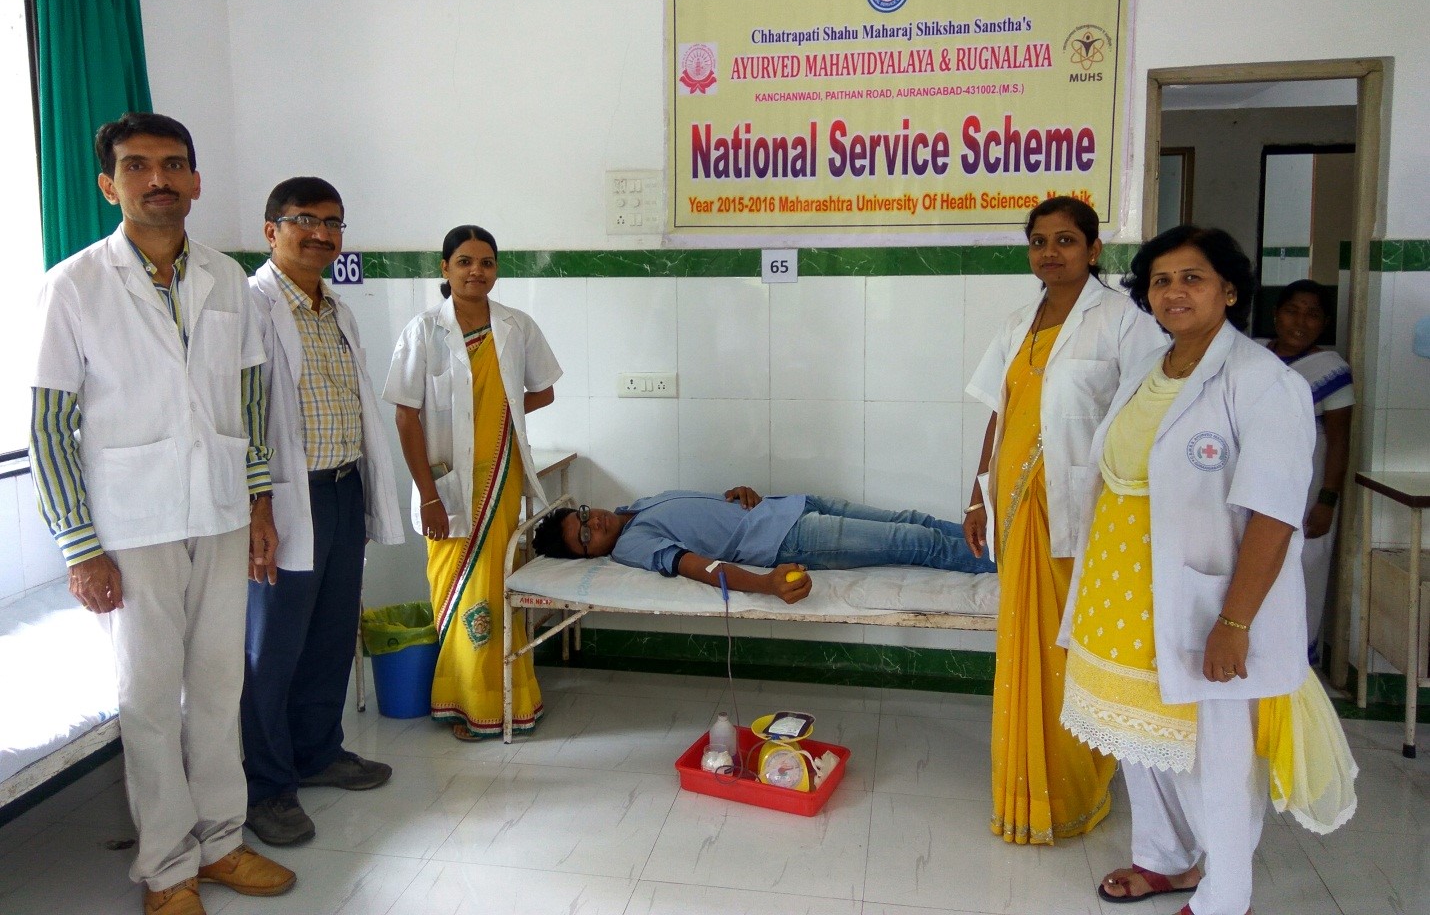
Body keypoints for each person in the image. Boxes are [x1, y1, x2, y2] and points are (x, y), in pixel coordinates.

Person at [29, 113, 295, 915]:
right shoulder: (73, 285)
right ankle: (168, 868)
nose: (159, 180)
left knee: (218, 687)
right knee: (149, 700)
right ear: (109, 185)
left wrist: (259, 505)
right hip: (129, 522)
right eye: (138, 166)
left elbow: (247, 401)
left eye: (174, 165)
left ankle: (221, 842)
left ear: (196, 181)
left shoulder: (225, 277)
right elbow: (49, 426)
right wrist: (80, 547)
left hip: (219, 511)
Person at [1059, 226, 1326, 915]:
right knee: (1139, 738)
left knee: (1215, 755)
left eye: (1192, 277)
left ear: (1229, 290)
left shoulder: (1263, 382)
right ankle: (1164, 860)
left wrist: (1234, 622)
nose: (1173, 291)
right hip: (1123, 594)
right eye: (1160, 280)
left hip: (1205, 604)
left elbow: (1274, 515)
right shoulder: (1154, 366)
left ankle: (1224, 896)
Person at [964, 195, 1166, 845]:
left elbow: (1148, 413)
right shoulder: (1018, 323)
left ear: (1093, 249)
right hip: (1016, 510)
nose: (1050, 253)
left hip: (1079, 513)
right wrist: (977, 496)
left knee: (1067, 648)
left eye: (1065, 240)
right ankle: (1021, 790)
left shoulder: (1124, 320)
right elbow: (1000, 413)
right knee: (1022, 646)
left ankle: (1073, 790)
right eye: (1039, 242)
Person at [240, 177, 405, 846]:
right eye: (304, 220)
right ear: (270, 230)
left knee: (332, 633)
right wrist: (257, 504)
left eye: (333, 223)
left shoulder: (336, 310)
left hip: (341, 488)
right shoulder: (249, 307)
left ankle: (318, 752)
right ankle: (267, 786)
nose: (321, 234)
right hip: (283, 495)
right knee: (273, 645)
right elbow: (242, 415)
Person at [383, 225, 560, 740]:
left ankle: (507, 700)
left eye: (486, 262)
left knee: (497, 584)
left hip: (501, 474)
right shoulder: (423, 331)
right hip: (445, 484)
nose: (475, 271)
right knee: (455, 588)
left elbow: (543, 391)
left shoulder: (516, 326)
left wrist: (499, 421)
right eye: (464, 262)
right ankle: (464, 702)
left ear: (496, 270)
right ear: (445, 268)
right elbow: (406, 417)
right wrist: (429, 496)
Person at [530, 485, 991, 598]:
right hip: (791, 538)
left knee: (914, 520)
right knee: (915, 542)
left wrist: (736, 493)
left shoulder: (638, 505)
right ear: (588, 554)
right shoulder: (632, 546)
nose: (594, 524)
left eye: (584, 516)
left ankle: (994, 540)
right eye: (585, 537)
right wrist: (764, 584)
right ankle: (1005, 562)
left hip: (790, 504)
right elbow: (697, 566)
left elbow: (703, 515)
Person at [1260, 279, 1353, 659]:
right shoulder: (1253, 358)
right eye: (1292, 311)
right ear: (1276, 315)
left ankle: (1297, 662)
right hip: (1254, 484)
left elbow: (1340, 440)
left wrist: (1327, 501)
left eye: (1312, 314)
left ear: (1324, 322)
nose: (1300, 322)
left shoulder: (1331, 370)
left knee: (1302, 572)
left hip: (1307, 490)